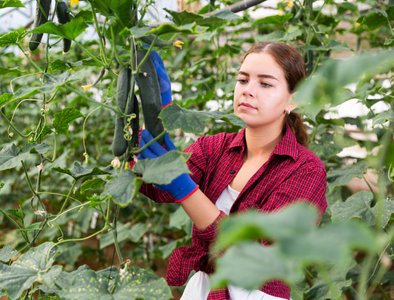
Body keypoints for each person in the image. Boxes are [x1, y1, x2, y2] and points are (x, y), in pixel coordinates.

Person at [137, 41, 327, 300]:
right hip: (203, 290)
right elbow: (156, 189)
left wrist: (185, 188)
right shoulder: (213, 147)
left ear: (293, 100)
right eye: (243, 79)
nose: (248, 91)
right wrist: (158, 113)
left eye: (265, 83)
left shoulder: (306, 170)